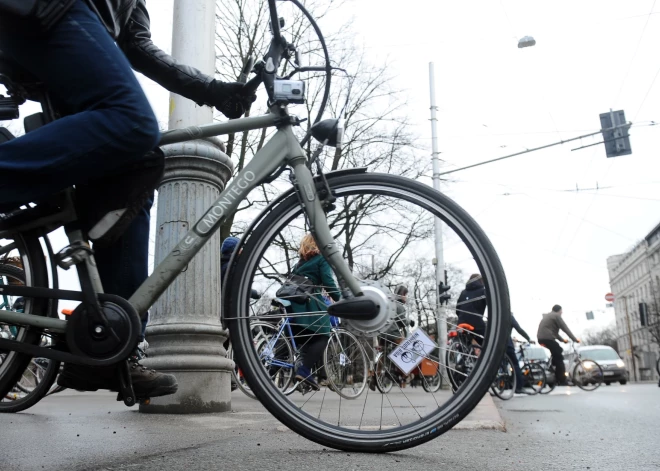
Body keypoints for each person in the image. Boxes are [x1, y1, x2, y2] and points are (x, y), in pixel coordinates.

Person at [0, 1, 255, 399]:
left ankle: (101, 351)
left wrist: (211, 90)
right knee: (134, 123)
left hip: (71, 26)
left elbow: (136, 45)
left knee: (136, 167)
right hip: (51, 9)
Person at [289, 234, 341, 390]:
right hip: (311, 306)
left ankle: (304, 374)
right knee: (324, 335)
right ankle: (304, 371)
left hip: (295, 308)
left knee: (308, 341)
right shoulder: (321, 259)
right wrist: (340, 298)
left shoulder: (299, 264)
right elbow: (328, 282)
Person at [536, 305, 580, 386]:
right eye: (561, 311)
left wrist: (563, 340)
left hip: (541, 338)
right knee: (559, 356)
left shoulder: (549, 316)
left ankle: (552, 367)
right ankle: (562, 379)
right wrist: (574, 339)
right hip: (547, 338)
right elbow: (565, 328)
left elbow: (554, 333)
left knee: (557, 351)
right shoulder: (556, 316)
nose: (562, 313)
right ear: (559, 310)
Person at [456, 274, 486, 344]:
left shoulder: (463, 292)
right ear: (481, 281)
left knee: (464, 346)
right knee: (487, 343)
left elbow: (457, 309)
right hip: (476, 323)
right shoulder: (483, 291)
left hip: (461, 323)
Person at [507, 315, 533, 394]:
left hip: (495, 344)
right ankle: (519, 387)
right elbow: (519, 329)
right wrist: (528, 338)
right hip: (506, 343)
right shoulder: (509, 316)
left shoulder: (496, 314)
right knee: (515, 365)